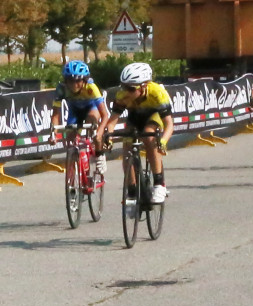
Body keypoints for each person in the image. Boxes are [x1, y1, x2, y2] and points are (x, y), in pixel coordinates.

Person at [97, 63, 173, 204]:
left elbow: (169, 124)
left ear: (144, 86)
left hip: (153, 116)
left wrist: (163, 141)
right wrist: (109, 137)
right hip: (135, 117)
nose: (126, 91)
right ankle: (131, 191)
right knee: (126, 151)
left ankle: (159, 184)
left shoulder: (157, 93)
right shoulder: (122, 96)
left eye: (130, 88)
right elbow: (112, 121)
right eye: (124, 86)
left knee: (148, 135)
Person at [49, 60, 109, 174]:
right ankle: (74, 172)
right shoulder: (61, 89)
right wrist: (53, 134)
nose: (74, 85)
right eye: (70, 81)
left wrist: (100, 132)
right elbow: (56, 115)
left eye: (78, 81)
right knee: (70, 139)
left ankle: (100, 155)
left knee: (93, 123)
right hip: (74, 112)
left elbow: (104, 115)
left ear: (84, 80)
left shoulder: (90, 87)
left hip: (91, 109)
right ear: (65, 81)